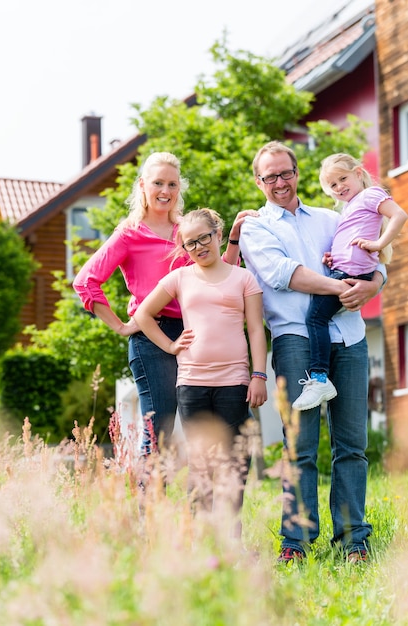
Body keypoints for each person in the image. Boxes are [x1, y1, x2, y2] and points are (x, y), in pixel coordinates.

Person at [239, 140, 387, 564]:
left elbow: (371, 259)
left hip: (351, 337)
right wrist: (342, 287)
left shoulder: (332, 216)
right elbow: (283, 274)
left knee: (352, 446)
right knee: (299, 447)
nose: (280, 182)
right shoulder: (256, 227)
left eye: (286, 173)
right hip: (296, 343)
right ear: (259, 181)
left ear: (298, 172)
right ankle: (297, 543)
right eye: (270, 176)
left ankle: (353, 540)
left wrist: (372, 284)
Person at [73, 152, 248, 460]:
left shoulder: (186, 231)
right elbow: (86, 281)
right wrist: (122, 327)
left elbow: (219, 274)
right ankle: (148, 507)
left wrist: (233, 240)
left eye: (172, 184)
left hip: (196, 335)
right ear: (143, 186)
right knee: (160, 430)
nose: (165, 191)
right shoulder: (129, 233)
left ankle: (204, 506)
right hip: (152, 340)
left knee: (204, 430)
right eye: (158, 183)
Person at [134, 208, 268, 533]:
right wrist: (170, 346)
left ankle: (229, 533)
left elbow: (255, 330)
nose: (198, 247)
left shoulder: (243, 278)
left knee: (236, 459)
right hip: (192, 385)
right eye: (190, 243)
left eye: (204, 238)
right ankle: (200, 539)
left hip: (234, 382)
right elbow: (143, 314)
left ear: (218, 234)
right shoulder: (180, 278)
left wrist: (259, 375)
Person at [292, 153, 407, 411]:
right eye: (332, 185)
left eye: (342, 179)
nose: (339, 187)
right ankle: (321, 378)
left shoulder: (370, 195)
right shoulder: (349, 207)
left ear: (357, 173)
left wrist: (379, 244)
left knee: (315, 318)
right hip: (343, 271)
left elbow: (399, 215)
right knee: (318, 316)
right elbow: (353, 236)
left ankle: (320, 378)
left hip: (352, 276)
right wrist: (335, 256)